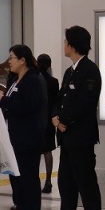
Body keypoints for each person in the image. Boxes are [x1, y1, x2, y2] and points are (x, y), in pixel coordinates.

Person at [50, 26, 104, 210]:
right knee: (65, 183)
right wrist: (55, 117)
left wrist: (64, 119)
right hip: (66, 137)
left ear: (72, 45)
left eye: (65, 42)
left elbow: (86, 103)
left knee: (86, 183)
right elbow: (60, 99)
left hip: (81, 137)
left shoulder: (90, 70)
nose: (63, 45)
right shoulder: (69, 71)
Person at [0, 45, 47, 210]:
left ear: (22, 60)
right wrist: (2, 98)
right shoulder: (16, 79)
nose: (9, 61)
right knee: (18, 176)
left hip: (28, 136)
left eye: (12, 57)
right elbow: (13, 102)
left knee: (28, 176)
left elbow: (26, 106)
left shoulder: (33, 80)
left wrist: (4, 100)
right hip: (15, 135)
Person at [38, 54, 60, 193]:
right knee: (48, 151)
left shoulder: (35, 80)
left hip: (37, 119)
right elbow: (56, 100)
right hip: (49, 119)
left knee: (36, 151)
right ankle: (48, 181)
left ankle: (35, 180)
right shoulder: (54, 81)